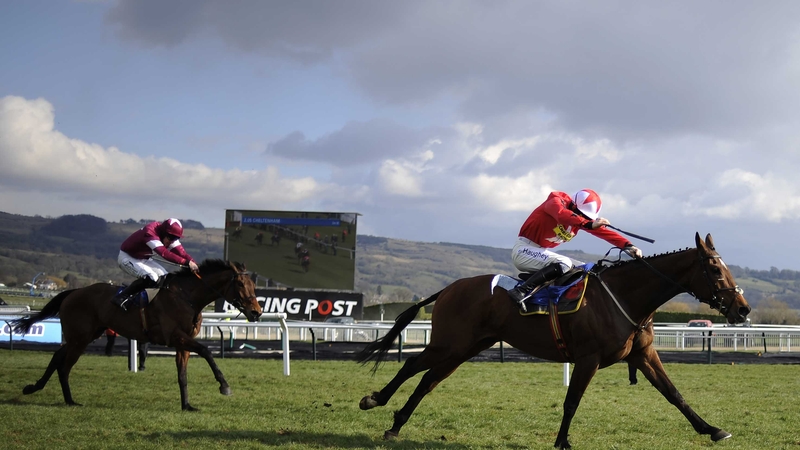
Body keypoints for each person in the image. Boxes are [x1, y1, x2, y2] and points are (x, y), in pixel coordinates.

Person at [507, 189, 642, 307]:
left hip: (540, 252)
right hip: (524, 250)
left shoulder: (579, 219)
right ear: (574, 205)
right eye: (581, 214)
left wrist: (628, 245)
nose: (583, 218)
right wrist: (588, 224)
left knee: (587, 270)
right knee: (564, 263)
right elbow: (561, 214)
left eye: (586, 217)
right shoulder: (555, 202)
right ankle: (521, 291)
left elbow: (603, 232)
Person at [112, 218, 199, 311]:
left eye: (176, 238)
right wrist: (186, 263)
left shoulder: (169, 236)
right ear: (164, 233)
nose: (172, 241)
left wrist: (194, 264)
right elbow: (164, 253)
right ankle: (121, 297)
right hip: (127, 257)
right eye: (171, 238)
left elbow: (182, 253)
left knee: (165, 277)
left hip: (142, 258)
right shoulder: (150, 232)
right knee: (152, 277)